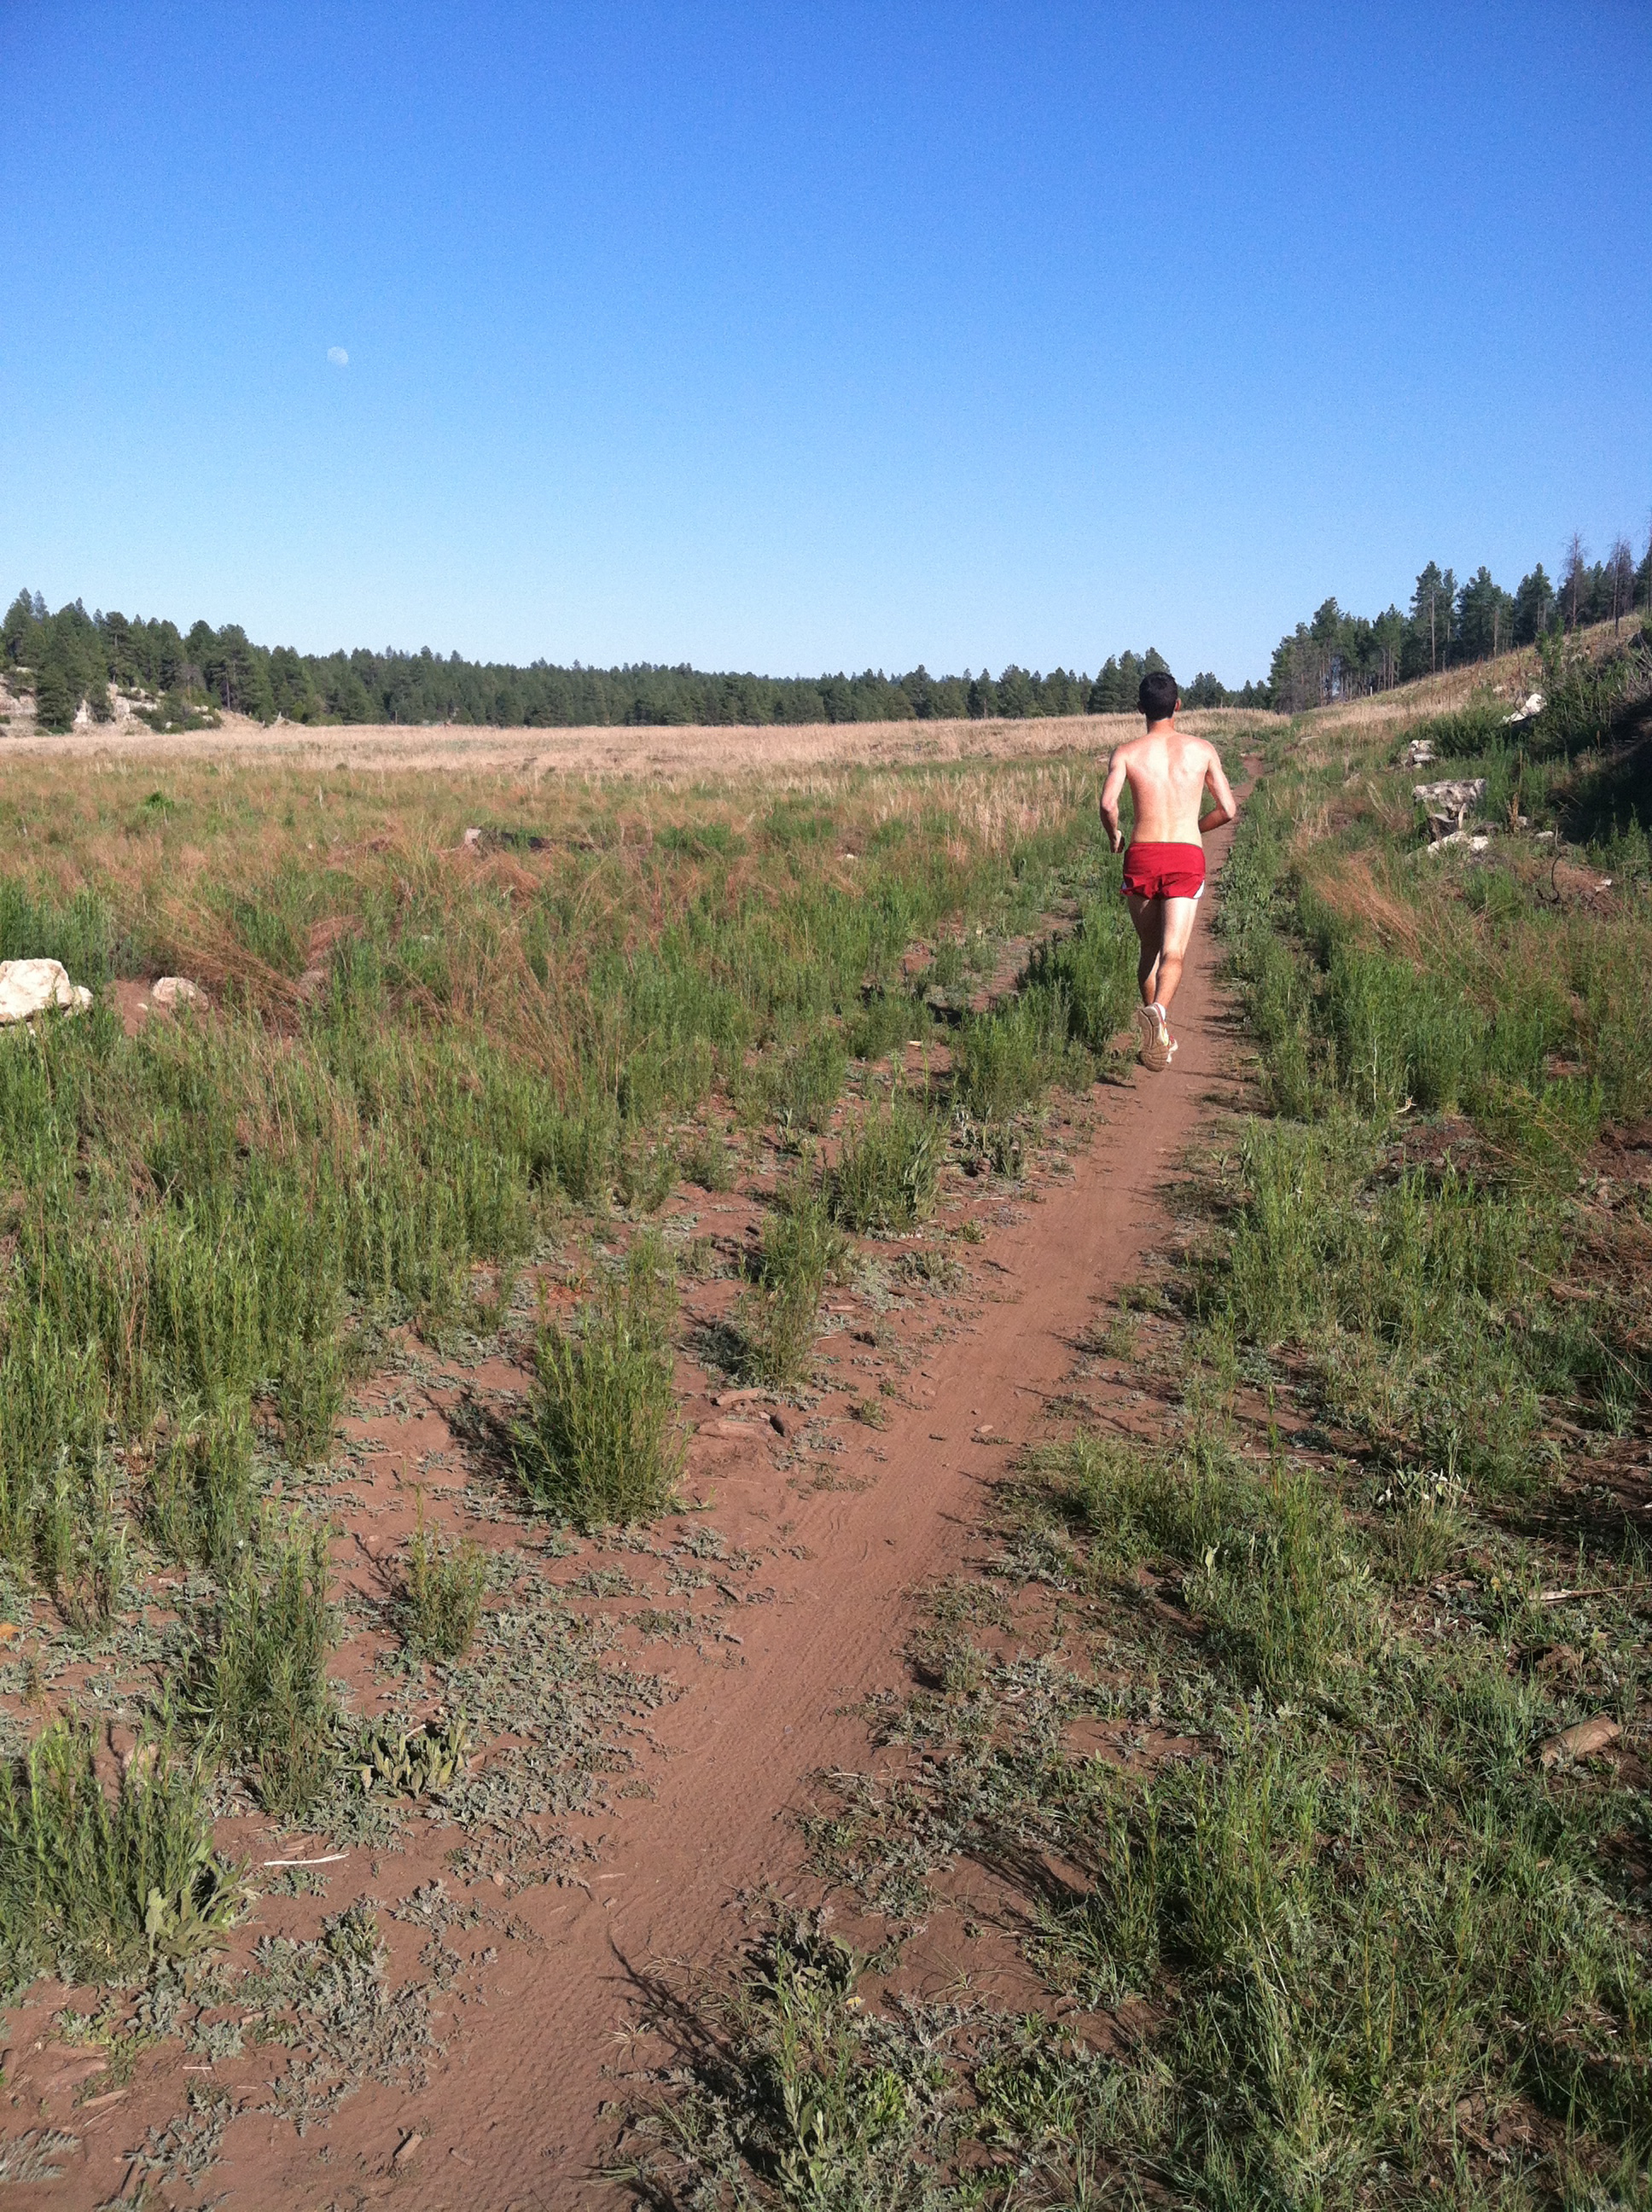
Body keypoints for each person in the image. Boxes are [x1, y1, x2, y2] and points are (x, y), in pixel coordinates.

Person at [1098, 668, 1236, 1071]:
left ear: (1140, 708)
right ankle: (1159, 1012)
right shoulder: (1202, 750)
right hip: (1184, 856)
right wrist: (1194, 827)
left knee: (1149, 950)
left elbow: (1108, 805)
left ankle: (1156, 1027)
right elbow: (1228, 810)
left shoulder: (1125, 753)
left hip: (1141, 854)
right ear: (1178, 705)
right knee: (1174, 951)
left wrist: (1114, 836)